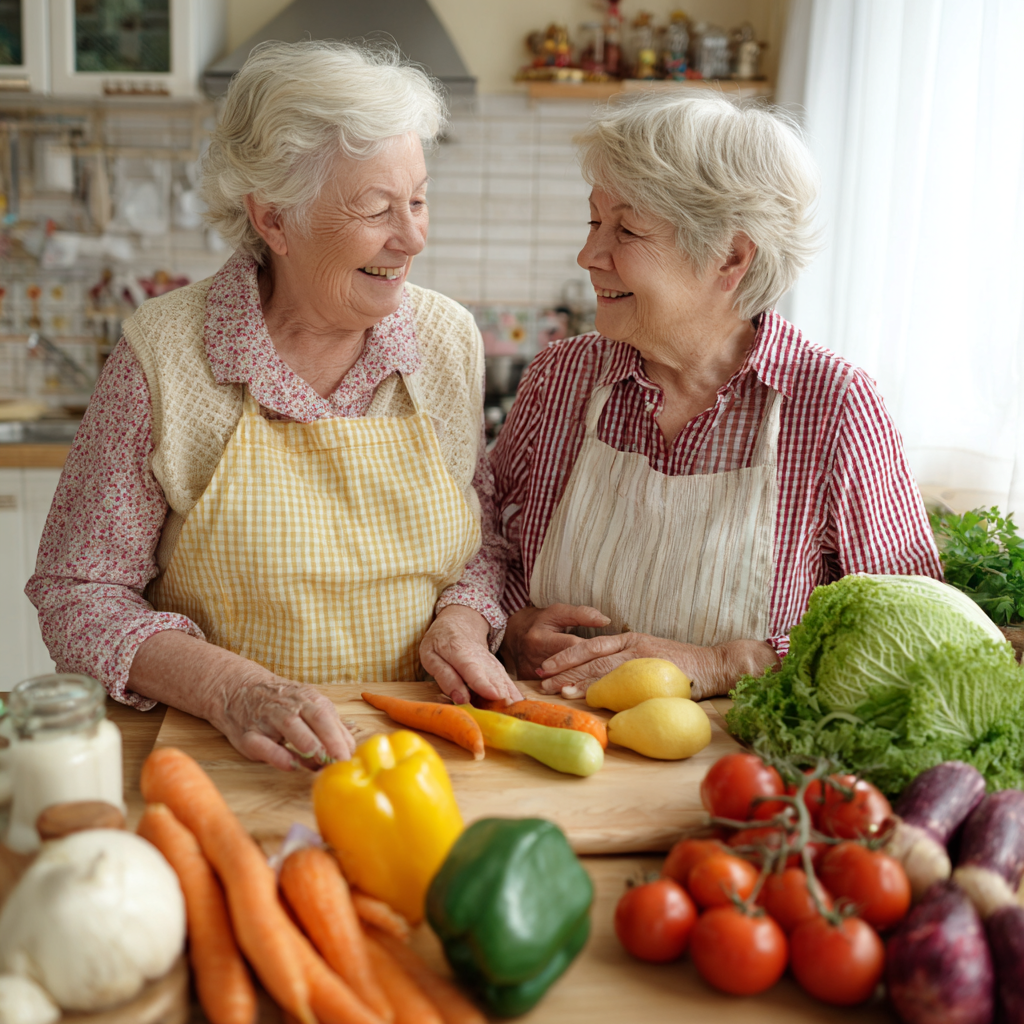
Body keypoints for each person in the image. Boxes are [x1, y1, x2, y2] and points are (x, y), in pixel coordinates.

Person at [27, 40, 521, 771]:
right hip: (228, 753)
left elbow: (478, 546)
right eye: (377, 209)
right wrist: (231, 689)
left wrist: (462, 621)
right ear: (275, 219)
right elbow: (79, 593)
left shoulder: (447, 340)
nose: (413, 236)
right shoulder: (164, 354)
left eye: (417, 200)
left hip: (420, 751)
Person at [491, 93, 941, 700]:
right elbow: (483, 542)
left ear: (730, 256)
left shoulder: (832, 404)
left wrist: (729, 663)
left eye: (627, 229)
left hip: (734, 753)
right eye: (594, 222)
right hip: (549, 735)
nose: (588, 256)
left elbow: (913, 630)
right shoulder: (561, 377)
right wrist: (510, 629)